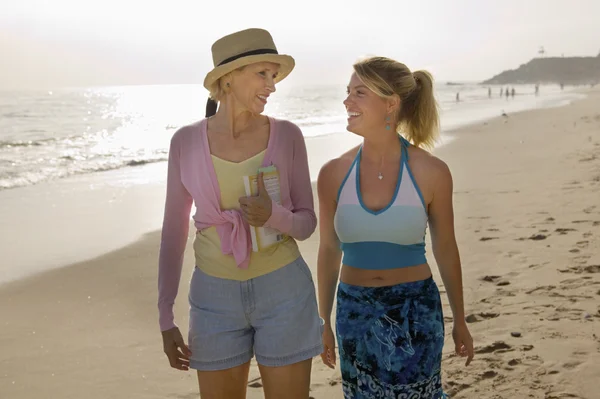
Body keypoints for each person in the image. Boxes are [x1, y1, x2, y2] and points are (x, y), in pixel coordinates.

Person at [157, 28, 323, 399]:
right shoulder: (184, 142)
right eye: (262, 74)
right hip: (213, 298)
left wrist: (273, 216)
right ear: (228, 77)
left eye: (274, 76)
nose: (272, 86)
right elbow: (173, 232)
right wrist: (165, 316)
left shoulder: (288, 136)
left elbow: (307, 223)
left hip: (284, 291)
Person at [316, 56, 474, 398]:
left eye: (359, 92)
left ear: (391, 103)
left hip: (415, 310)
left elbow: (445, 248)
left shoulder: (431, 171)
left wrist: (459, 318)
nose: (347, 101)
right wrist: (323, 320)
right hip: (353, 311)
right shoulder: (332, 174)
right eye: (347, 92)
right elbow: (329, 251)